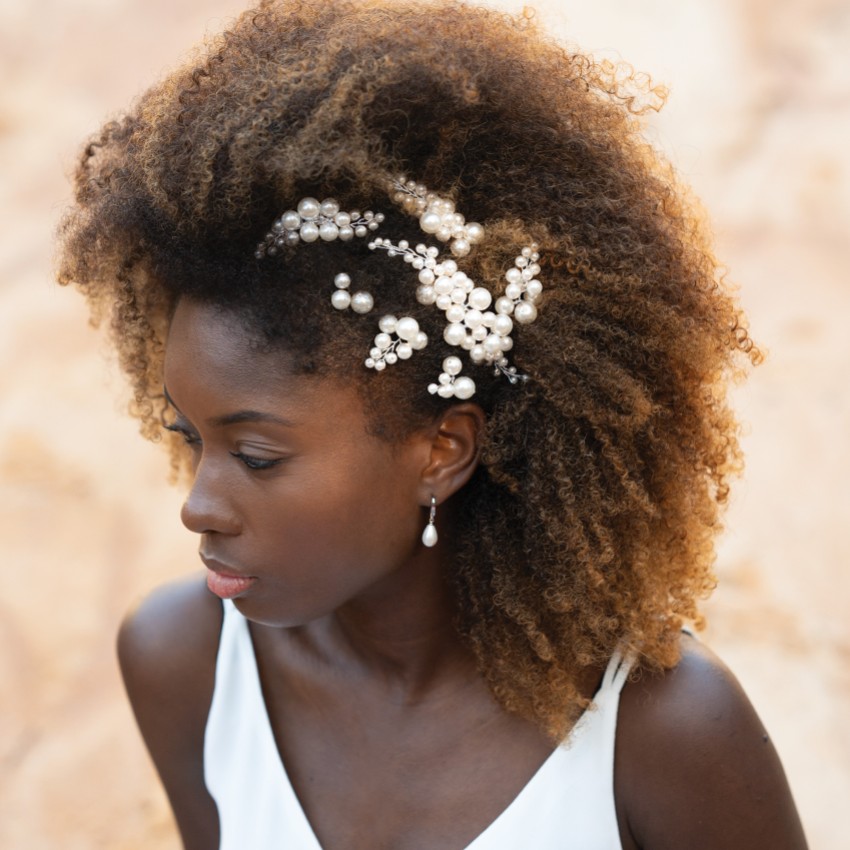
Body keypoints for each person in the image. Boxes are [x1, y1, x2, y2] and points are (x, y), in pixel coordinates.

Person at [57, 1, 808, 847]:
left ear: (441, 451)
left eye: (258, 455)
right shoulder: (181, 661)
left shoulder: (665, 734)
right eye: (193, 439)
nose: (197, 505)